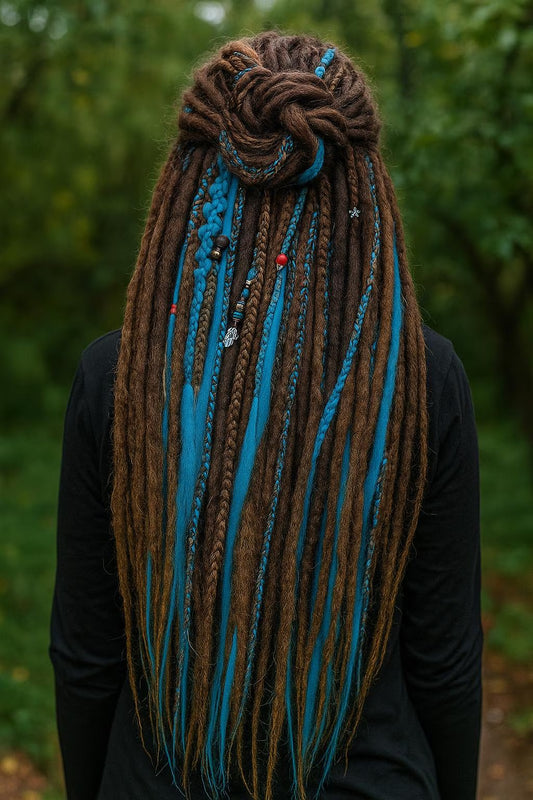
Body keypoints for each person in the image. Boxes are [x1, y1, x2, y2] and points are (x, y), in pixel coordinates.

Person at [49, 30, 483, 800]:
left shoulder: (119, 373)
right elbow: (442, 653)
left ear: (188, 177)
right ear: (362, 184)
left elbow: (86, 650)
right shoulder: (418, 378)